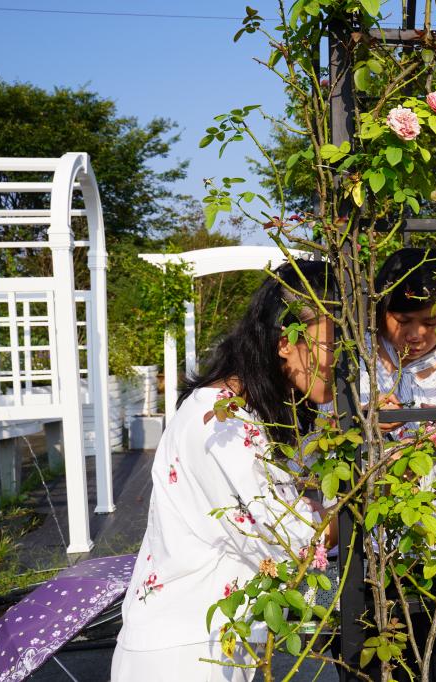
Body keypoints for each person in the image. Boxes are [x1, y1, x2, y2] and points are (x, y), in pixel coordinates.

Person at [112, 260, 338, 682]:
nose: (345, 362)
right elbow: (292, 539)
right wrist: (344, 513)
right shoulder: (223, 424)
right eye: (334, 345)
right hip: (186, 654)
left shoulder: (246, 412)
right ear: (285, 341)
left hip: (207, 640)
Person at [361, 246, 436, 682]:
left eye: (432, 322)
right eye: (403, 320)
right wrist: (366, 422)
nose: (417, 334)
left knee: (434, 647)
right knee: (372, 648)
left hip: (431, 538)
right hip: (367, 538)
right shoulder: (359, 359)